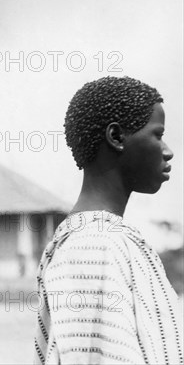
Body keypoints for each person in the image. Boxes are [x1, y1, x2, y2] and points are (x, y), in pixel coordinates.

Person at [35, 76, 183, 364]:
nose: (168, 150)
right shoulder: (94, 247)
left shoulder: (105, 238)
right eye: (157, 134)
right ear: (116, 137)